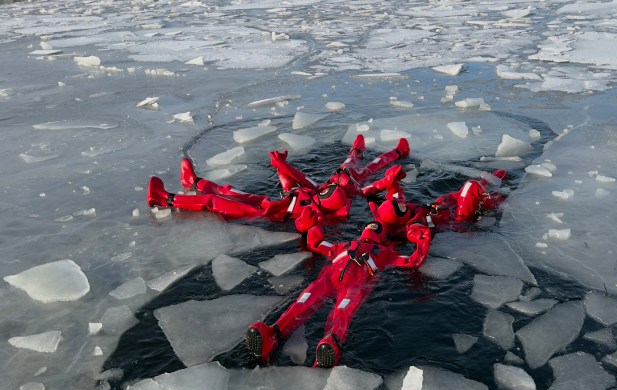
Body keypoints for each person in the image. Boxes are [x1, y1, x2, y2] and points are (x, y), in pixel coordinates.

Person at [245, 220, 432, 368]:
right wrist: (313, 224)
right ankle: (273, 332)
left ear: (381, 234)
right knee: (303, 301)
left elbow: (411, 261)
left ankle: (331, 343)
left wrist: (423, 239)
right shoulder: (344, 246)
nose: (371, 226)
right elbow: (318, 244)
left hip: (354, 286)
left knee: (342, 312)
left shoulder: (385, 253)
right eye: (369, 224)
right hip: (327, 280)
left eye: (376, 226)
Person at [146, 134, 410, 232]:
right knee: (227, 190)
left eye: (329, 190)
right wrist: (282, 166)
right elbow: (298, 183)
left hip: (262, 213)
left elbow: (370, 189)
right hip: (268, 205)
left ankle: (166, 198)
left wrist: (389, 181)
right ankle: (192, 181)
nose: (329, 186)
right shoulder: (320, 193)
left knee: (216, 202)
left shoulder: (319, 206)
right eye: (331, 187)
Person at [363, 167, 508, 237]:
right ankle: (496, 202)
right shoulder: (413, 226)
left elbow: (395, 196)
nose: (401, 205)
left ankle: (487, 184)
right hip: (457, 218)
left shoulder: (404, 210)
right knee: (471, 185)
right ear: (399, 217)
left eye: (398, 204)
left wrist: (391, 180)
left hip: (444, 206)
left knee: (469, 188)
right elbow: (423, 236)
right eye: (399, 209)